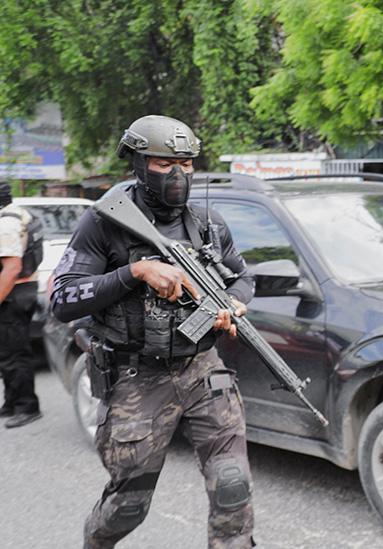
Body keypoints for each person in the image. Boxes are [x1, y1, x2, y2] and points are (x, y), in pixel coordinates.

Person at [50, 115, 256, 549]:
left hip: (202, 371)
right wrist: (135, 272)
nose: (178, 173)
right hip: (135, 377)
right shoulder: (104, 223)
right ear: (138, 164)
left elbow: (242, 277)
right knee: (128, 506)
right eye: (164, 163)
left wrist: (234, 304)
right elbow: (63, 299)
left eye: (185, 162)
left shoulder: (208, 224)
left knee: (233, 488)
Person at [0, 181, 43, 428]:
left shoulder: (6, 223)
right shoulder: (13, 214)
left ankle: (27, 406)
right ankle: (11, 402)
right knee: (7, 352)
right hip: (18, 292)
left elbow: (12, 267)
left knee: (16, 354)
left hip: (14, 293)